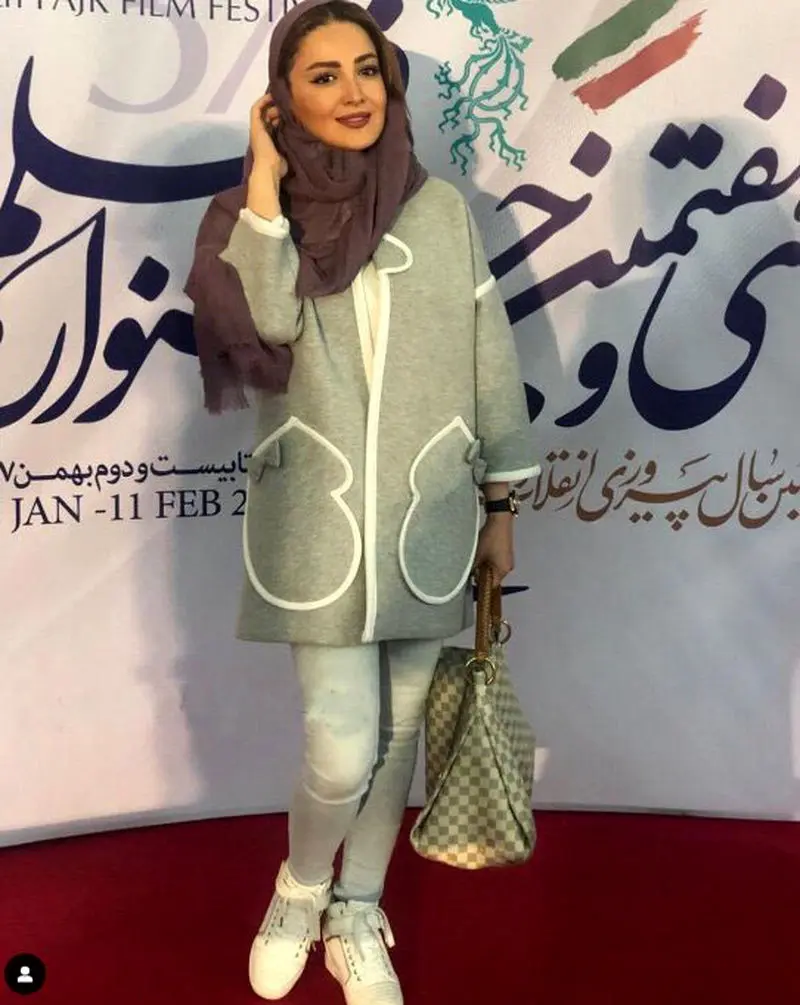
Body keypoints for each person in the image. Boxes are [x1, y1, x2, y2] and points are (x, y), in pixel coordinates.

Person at [185, 1, 538, 1002]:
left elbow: (488, 357)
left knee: (395, 741)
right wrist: (266, 183)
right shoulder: (254, 220)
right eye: (323, 75)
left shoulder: (439, 211)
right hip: (319, 522)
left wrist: (501, 506)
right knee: (341, 747)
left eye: (366, 70)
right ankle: (300, 888)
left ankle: (357, 908)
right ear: (280, 99)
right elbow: (265, 324)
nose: (353, 93)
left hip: (430, 514)